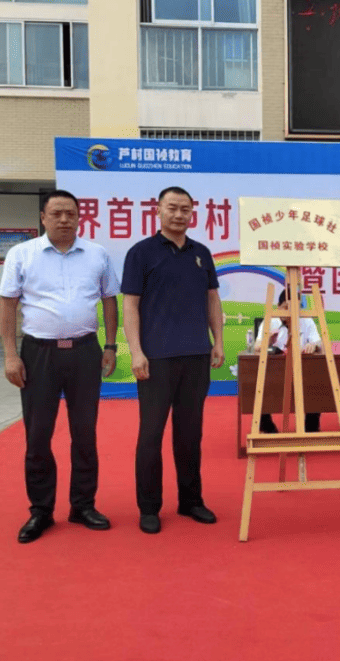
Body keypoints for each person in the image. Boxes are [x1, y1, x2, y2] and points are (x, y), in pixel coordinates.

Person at [0, 190, 120, 544]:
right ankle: (41, 510)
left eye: (70, 213)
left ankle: (83, 505)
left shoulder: (96, 254)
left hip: (84, 352)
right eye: (57, 213)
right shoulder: (21, 254)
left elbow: (109, 300)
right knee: (38, 435)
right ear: (43, 217)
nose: (64, 219)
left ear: (80, 217)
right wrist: (10, 355)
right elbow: (7, 306)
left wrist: (110, 345)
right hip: (39, 355)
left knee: (85, 434)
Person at [122, 186, 224, 535]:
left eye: (185, 209)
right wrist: (135, 351)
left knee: (190, 434)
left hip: (196, 355)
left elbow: (213, 300)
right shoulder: (141, 253)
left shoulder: (202, 253)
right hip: (156, 360)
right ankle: (149, 507)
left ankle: (191, 500)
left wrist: (218, 341)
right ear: (158, 210)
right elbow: (130, 306)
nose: (179, 215)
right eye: (172, 208)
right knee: (151, 435)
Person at [253, 288, 323, 434]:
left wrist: (314, 345)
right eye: (286, 307)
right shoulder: (270, 321)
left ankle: (311, 427)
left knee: (317, 382)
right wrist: (267, 341)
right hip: (274, 375)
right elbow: (257, 346)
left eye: (295, 308)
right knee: (256, 386)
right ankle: (267, 428)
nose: (290, 312)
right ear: (278, 307)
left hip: (303, 373)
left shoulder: (306, 320)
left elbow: (319, 343)